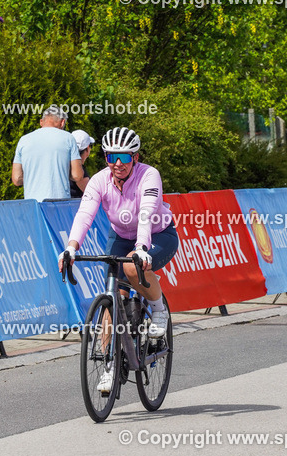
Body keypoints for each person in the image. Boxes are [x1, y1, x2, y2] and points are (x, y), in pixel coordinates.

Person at [57, 127, 178, 392]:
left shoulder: (149, 175)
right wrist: (71, 247)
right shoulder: (99, 181)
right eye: (112, 157)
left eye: (124, 156)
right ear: (106, 159)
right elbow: (85, 214)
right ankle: (110, 366)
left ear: (134, 157)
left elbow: (147, 214)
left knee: (133, 267)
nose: (118, 163)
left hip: (158, 234)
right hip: (121, 236)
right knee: (112, 298)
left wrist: (142, 247)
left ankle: (159, 310)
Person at [11, 105, 84, 201]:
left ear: (41, 122)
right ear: (62, 123)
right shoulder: (68, 138)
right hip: (59, 204)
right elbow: (77, 175)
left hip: (33, 205)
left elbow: (16, 179)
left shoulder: (23, 140)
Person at [70, 129, 94, 197]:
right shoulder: (78, 169)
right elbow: (92, 193)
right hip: (74, 206)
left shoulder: (65, 164)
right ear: (87, 148)